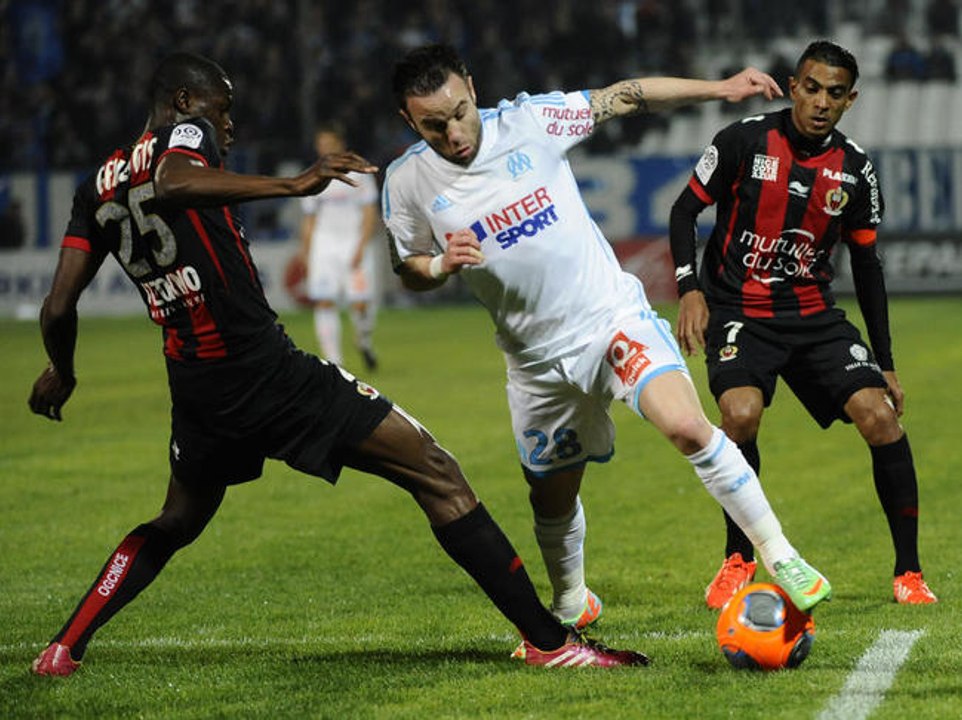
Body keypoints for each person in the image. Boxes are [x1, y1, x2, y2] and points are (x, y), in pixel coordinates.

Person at [28, 52, 651, 677]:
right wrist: (293, 185)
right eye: (224, 108)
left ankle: (63, 647)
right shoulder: (183, 136)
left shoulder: (96, 186)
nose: (229, 126)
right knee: (436, 472)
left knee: (177, 519)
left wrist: (63, 369)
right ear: (187, 103)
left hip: (196, 386)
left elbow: (57, 306)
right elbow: (172, 182)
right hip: (267, 372)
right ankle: (551, 642)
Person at [382, 43, 832, 643]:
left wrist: (719, 89)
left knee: (688, 427)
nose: (455, 132)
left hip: (609, 320)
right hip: (536, 361)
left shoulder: (530, 122)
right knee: (550, 496)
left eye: (460, 112)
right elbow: (407, 263)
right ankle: (571, 601)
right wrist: (439, 265)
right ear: (408, 121)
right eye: (434, 125)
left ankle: (779, 553)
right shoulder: (407, 181)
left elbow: (625, 95)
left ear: (470, 85)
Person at [669, 40, 937, 608]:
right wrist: (690, 289)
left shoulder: (857, 170)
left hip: (814, 317)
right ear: (794, 86)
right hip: (741, 311)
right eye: (811, 88)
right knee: (738, 416)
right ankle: (739, 558)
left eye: (834, 94)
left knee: (881, 419)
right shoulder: (743, 141)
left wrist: (885, 361)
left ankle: (909, 573)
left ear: (850, 100)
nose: (820, 102)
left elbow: (867, 266)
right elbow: (684, 210)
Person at [297, 123, 380, 371]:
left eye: (329, 143)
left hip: (354, 243)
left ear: (340, 144)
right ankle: (335, 364)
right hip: (325, 245)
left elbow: (368, 212)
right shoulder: (312, 175)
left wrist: (362, 245)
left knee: (361, 304)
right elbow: (310, 218)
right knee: (324, 300)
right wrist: (307, 250)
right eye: (320, 144)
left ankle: (363, 340)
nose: (324, 148)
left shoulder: (360, 173)